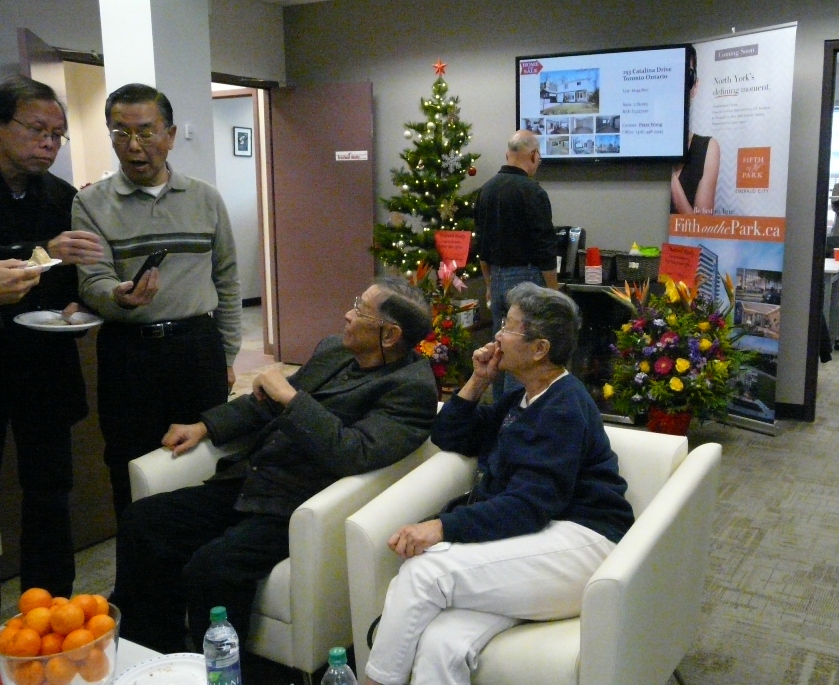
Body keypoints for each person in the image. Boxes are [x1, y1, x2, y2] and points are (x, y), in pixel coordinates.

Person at [110, 277, 438, 654]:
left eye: (361, 311)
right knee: (143, 520)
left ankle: (217, 671)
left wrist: (292, 398)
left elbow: (354, 451)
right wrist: (206, 426)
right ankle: (148, 652)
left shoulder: (411, 388)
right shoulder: (335, 349)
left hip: (298, 503)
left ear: (390, 335)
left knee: (213, 567)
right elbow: (266, 402)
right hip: (252, 478)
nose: (348, 315)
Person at [364, 282, 635, 685]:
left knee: (425, 573)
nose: (497, 335)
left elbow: (528, 506)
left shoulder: (563, 407)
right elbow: (450, 434)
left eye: (508, 326)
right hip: (543, 535)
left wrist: (442, 527)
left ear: (539, 348)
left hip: (585, 542)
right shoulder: (521, 399)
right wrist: (478, 381)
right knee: (442, 643)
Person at [73, 83, 242, 519]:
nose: (134, 146)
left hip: (197, 346)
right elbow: (92, 281)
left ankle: (200, 552)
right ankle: (136, 557)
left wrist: (227, 354)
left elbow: (226, 279)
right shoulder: (90, 203)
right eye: (120, 133)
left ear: (169, 135)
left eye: (146, 132)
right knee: (129, 461)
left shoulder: (205, 198)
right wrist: (118, 297)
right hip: (128, 352)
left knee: (206, 456)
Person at [0, 75, 106, 598]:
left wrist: (80, 302)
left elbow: (73, 278)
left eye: (57, 134)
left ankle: (52, 603)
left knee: (50, 488)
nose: (48, 143)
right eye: (36, 129)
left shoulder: (62, 197)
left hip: (45, 365)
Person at [475, 130, 559, 399]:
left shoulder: (486, 190)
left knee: (501, 351)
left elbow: (482, 246)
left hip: (498, 278)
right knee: (523, 356)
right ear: (533, 156)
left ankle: (500, 412)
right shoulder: (533, 191)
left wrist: (489, 285)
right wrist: (554, 291)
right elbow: (544, 246)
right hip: (527, 280)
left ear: (507, 154)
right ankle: (518, 414)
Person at [670, 50, 721, 215]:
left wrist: (669, 175)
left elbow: (700, 227)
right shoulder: (636, 147)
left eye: (686, 77)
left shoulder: (706, 148)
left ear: (695, 86)